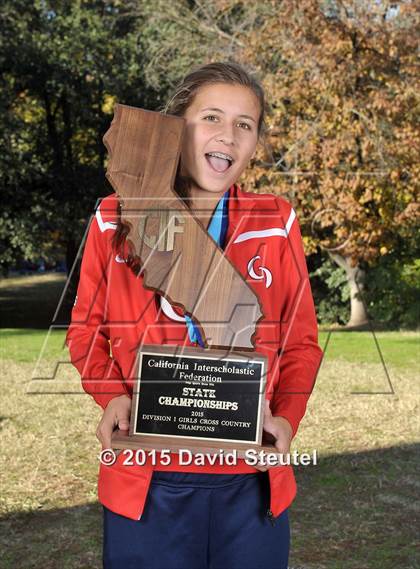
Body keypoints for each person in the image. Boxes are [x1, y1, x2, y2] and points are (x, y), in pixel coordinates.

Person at [67, 61, 323, 569]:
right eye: (211, 117)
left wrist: (287, 421)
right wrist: (111, 395)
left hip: (249, 476)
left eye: (244, 125)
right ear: (177, 125)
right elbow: (84, 331)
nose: (227, 135)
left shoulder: (276, 220)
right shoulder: (114, 215)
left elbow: (301, 342)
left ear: (254, 142)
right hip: (146, 475)